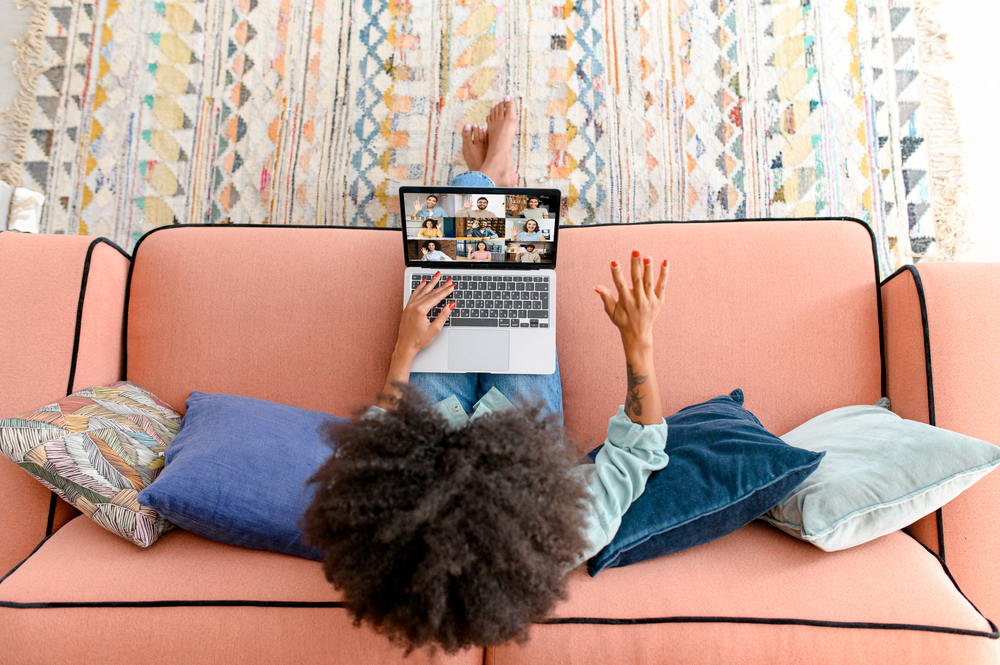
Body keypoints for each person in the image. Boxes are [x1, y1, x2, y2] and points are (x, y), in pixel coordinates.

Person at [302, 98, 670, 655]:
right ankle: (493, 178)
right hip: (523, 433)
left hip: (429, 431)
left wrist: (405, 348)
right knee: (505, 275)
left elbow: (372, 446)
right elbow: (638, 451)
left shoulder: (396, 530)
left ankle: (489, 178)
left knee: (446, 277)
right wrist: (638, 343)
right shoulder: (560, 529)